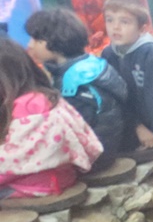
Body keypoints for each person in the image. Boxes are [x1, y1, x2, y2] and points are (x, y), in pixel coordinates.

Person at [25, 7, 128, 170]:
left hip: (94, 157)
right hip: (105, 147)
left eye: (36, 40)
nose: (29, 45)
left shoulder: (75, 80)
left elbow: (75, 126)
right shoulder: (87, 64)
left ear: (55, 42)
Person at [0, 38, 101, 198]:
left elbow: (13, 161)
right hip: (59, 177)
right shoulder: (43, 96)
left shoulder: (28, 107)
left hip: (36, 185)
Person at [100, 0, 153, 150]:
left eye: (124, 21)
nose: (115, 27)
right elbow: (113, 98)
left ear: (141, 29)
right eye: (110, 20)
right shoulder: (108, 54)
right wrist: (136, 126)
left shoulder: (148, 53)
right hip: (128, 123)